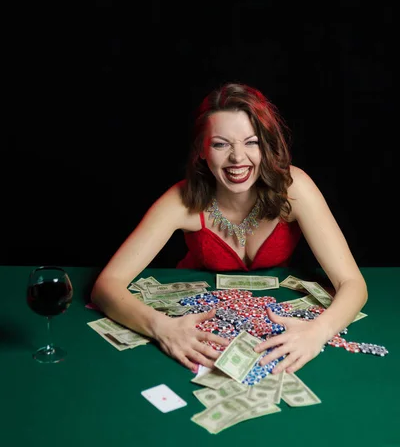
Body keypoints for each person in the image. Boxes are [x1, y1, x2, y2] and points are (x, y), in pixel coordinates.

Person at [91, 82, 368, 375]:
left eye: (252, 142)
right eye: (221, 144)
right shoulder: (180, 200)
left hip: (273, 313)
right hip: (199, 318)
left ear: (268, 145)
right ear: (201, 149)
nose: (238, 158)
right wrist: (162, 327)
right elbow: (106, 285)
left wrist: (318, 331)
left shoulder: (295, 188)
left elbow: (353, 284)